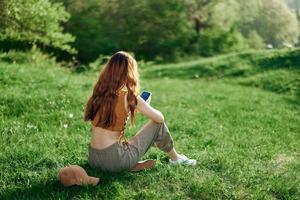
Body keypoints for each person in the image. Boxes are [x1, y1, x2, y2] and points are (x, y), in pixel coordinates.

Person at [83, 51, 196, 173]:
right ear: (129, 72)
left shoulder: (99, 93)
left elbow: (114, 116)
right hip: (114, 160)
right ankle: (175, 158)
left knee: (123, 143)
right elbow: (160, 118)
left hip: (94, 159)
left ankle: (128, 163)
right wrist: (144, 104)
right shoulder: (129, 96)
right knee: (157, 124)